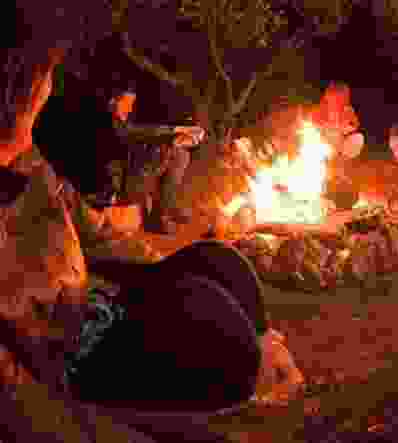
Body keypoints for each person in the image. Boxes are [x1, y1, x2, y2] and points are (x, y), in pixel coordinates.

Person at [0, 5, 302, 441]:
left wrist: (163, 276)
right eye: (42, 79)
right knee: (220, 327)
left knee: (221, 263)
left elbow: (97, 234)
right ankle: (247, 366)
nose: (47, 91)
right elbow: (18, 393)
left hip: (96, 300)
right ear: (17, 91)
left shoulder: (32, 167)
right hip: (72, 351)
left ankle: (261, 352)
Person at [106, 87, 204, 234]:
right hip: (121, 180)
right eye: (127, 103)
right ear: (113, 102)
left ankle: (164, 209)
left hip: (132, 171)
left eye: (132, 103)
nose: (130, 108)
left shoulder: (124, 121)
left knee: (180, 154)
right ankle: (160, 214)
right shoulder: (109, 122)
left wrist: (175, 140)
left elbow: (141, 134)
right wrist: (175, 131)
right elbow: (137, 133)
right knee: (170, 154)